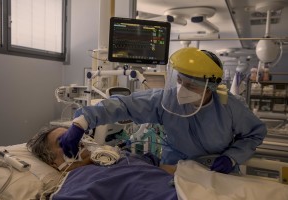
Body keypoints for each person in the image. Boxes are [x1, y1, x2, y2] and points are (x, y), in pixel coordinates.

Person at [59, 47, 267, 174]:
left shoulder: (230, 107)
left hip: (216, 170)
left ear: (210, 87)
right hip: (173, 170)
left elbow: (254, 134)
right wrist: (82, 122)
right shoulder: (165, 100)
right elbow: (124, 105)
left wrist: (232, 158)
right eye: (179, 81)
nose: (181, 90)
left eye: (191, 86)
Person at [27, 126, 177, 200]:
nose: (77, 142)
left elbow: (170, 170)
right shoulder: (76, 183)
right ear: (53, 163)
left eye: (73, 136)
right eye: (63, 142)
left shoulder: (120, 156)